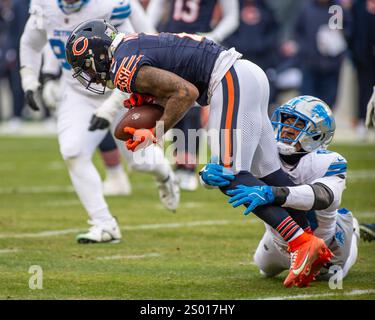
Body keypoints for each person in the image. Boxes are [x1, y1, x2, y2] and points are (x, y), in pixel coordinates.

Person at [65, 20, 333, 287]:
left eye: (86, 67)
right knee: (268, 172)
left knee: (226, 175)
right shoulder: (131, 47)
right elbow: (180, 81)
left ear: (98, 53)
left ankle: (300, 242)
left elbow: (184, 92)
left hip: (228, 80)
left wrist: (156, 133)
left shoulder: (123, 64)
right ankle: (319, 236)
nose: (90, 76)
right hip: (244, 74)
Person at [20, 0, 179, 244]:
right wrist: (30, 78)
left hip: (122, 89)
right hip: (77, 91)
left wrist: (110, 107)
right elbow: (31, 42)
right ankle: (104, 224)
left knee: (139, 161)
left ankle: (165, 175)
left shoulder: (107, 6)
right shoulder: (45, 5)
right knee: (73, 151)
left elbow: (135, 57)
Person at [202, 96, 359, 283]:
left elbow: (323, 196)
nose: (288, 128)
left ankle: (353, 229)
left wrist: (272, 193)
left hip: (326, 247)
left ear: (318, 134)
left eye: (299, 123)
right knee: (262, 268)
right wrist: (206, 175)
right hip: (278, 243)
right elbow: (228, 174)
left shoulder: (327, 161)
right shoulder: (264, 152)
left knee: (333, 275)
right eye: (286, 120)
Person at [146, 0, 239, 191]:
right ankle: (180, 164)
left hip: (199, 45)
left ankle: (190, 167)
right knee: (172, 100)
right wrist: (149, 30)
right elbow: (157, 4)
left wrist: (214, 36)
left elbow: (232, 17)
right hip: (169, 42)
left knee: (193, 106)